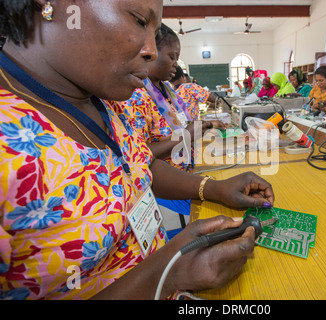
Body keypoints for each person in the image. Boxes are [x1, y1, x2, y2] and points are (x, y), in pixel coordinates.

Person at [0, 0, 275, 300]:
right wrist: (166, 274)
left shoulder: (102, 100)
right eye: (139, 20)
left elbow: (139, 164)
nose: (152, 51)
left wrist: (214, 188)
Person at [123, 24, 224, 173]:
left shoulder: (168, 89)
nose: (176, 65)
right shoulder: (136, 96)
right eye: (172, 57)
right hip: (162, 187)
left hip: (184, 172)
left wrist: (204, 125)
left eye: (177, 58)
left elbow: (181, 124)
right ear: (150, 53)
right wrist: (185, 136)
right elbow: (137, 156)